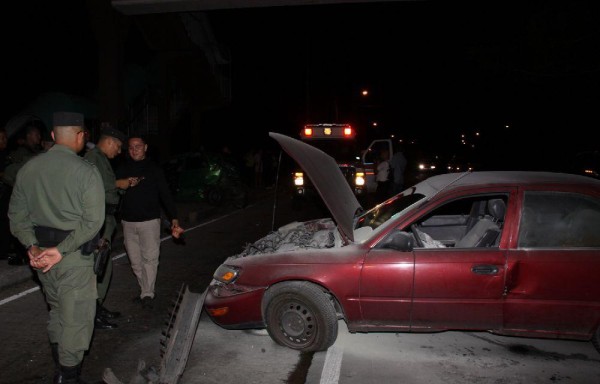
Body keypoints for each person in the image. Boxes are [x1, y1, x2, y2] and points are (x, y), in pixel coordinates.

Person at [8, 111, 105, 384]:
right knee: (77, 319)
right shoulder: (86, 171)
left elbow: (16, 216)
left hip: (41, 258)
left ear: (52, 136)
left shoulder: (28, 169)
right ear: (81, 136)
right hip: (72, 257)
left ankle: (60, 368)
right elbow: (93, 222)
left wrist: (32, 246)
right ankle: (67, 377)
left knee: (58, 312)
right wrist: (61, 250)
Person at [116, 134, 182, 310]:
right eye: (130, 147)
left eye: (138, 146)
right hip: (128, 222)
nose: (134, 150)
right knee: (136, 261)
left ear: (145, 147)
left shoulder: (154, 169)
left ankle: (147, 294)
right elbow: (113, 188)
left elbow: (165, 194)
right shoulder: (123, 169)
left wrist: (173, 217)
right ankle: (145, 288)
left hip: (150, 221)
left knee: (150, 259)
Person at [84, 124, 128, 330]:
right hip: (98, 220)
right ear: (109, 141)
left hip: (106, 219)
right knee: (97, 267)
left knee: (103, 267)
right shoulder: (93, 158)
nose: (118, 152)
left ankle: (97, 307)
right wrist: (118, 185)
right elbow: (92, 187)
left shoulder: (101, 159)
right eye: (118, 147)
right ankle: (90, 315)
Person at [2, 124, 43, 265]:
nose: (38, 138)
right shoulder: (20, 153)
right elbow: (10, 174)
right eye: (36, 134)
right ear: (29, 136)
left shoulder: (37, 151)